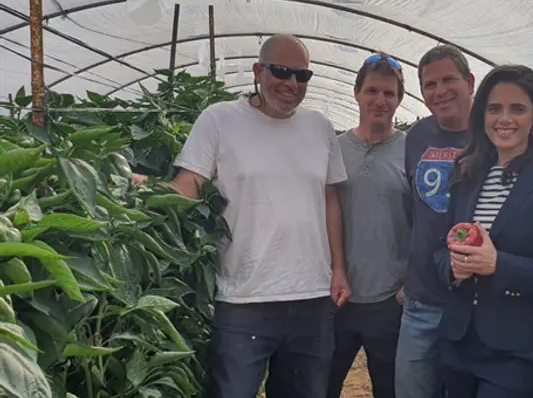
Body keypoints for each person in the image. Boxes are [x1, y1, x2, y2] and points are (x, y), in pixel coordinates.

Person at [132, 34, 351, 398]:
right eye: (281, 71)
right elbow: (188, 187)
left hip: (311, 297)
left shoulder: (320, 126)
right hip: (244, 300)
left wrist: (339, 268)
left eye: (302, 75)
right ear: (257, 71)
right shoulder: (220, 120)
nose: (292, 83)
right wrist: (143, 187)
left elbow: (330, 199)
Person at [433, 65, 533, 398]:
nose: (504, 119)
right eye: (494, 108)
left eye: (518, 109)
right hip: (459, 343)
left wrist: (499, 265)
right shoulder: (467, 175)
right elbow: (439, 250)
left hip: (519, 354)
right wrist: (452, 267)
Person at [326, 53, 411, 398]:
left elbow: (428, 218)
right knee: (321, 384)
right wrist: (334, 269)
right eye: (372, 91)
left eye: (389, 93)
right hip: (337, 294)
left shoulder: (412, 150)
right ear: (356, 93)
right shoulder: (334, 148)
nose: (380, 100)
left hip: (390, 298)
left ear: (399, 99)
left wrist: (410, 283)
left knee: (389, 388)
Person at [395, 44, 475, 398]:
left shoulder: (494, 133)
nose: (439, 91)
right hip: (420, 301)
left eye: (448, 80)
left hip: (473, 303)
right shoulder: (417, 136)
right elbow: (415, 211)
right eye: (429, 84)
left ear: (469, 82)